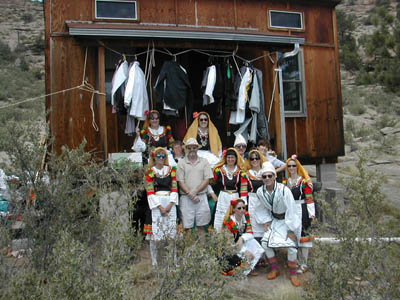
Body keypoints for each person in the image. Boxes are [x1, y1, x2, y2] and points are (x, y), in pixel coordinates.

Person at [255, 161, 302, 287]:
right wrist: (266, 220)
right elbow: (259, 208)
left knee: (291, 246)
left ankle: (293, 273)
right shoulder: (260, 192)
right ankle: (275, 269)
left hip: (286, 220)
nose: (267, 179)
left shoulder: (283, 190)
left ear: (275, 176)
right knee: (265, 243)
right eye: (264, 176)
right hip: (274, 220)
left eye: (270, 176)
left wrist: (291, 230)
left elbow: (291, 209)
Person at [144, 147, 178, 266]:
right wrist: (160, 206)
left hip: (170, 201)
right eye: (159, 156)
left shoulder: (171, 170)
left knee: (172, 232)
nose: (161, 158)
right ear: (154, 157)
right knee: (155, 234)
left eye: (163, 156)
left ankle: (173, 260)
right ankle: (155, 262)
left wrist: (170, 204)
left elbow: (174, 188)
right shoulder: (150, 172)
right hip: (156, 203)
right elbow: (149, 191)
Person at [283, 154, 315, 274]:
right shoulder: (286, 182)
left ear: (297, 167)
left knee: (303, 235)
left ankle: (304, 263)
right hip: (291, 210)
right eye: (289, 166)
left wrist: (311, 213)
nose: (291, 168)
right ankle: (294, 262)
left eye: (293, 166)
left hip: (302, 208)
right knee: (292, 235)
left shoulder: (303, 182)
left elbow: (309, 197)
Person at [177, 138, 213, 237]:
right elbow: (180, 181)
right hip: (186, 198)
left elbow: (207, 180)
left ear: (197, 148)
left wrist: (195, 191)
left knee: (201, 227)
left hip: (201, 197)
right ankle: (188, 252)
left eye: (194, 147)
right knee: (187, 227)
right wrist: (190, 194)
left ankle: (201, 252)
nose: (192, 149)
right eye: (189, 147)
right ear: (186, 149)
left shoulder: (204, 161)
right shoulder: (181, 162)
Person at [222, 198, 264, 276]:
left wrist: (242, 238)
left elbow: (250, 233)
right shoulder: (230, 221)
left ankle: (249, 269)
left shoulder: (246, 216)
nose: (242, 210)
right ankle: (244, 270)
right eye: (239, 208)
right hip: (232, 246)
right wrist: (244, 251)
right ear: (234, 209)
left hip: (241, 241)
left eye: (243, 208)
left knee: (258, 248)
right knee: (248, 254)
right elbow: (228, 242)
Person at [212, 148, 247, 232]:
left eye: (232, 157)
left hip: (235, 197)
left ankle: (235, 238)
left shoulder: (241, 172)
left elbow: (243, 189)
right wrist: (212, 194)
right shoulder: (219, 171)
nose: (230, 159)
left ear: (236, 159)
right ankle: (220, 238)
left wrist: (243, 202)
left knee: (234, 216)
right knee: (221, 216)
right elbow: (210, 183)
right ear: (225, 158)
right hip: (223, 196)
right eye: (228, 157)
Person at [244, 149, 269, 239]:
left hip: (264, 200)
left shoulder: (266, 172)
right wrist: (244, 204)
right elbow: (244, 190)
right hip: (252, 200)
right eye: (252, 159)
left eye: (256, 158)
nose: (255, 161)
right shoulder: (247, 174)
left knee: (265, 225)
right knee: (253, 223)